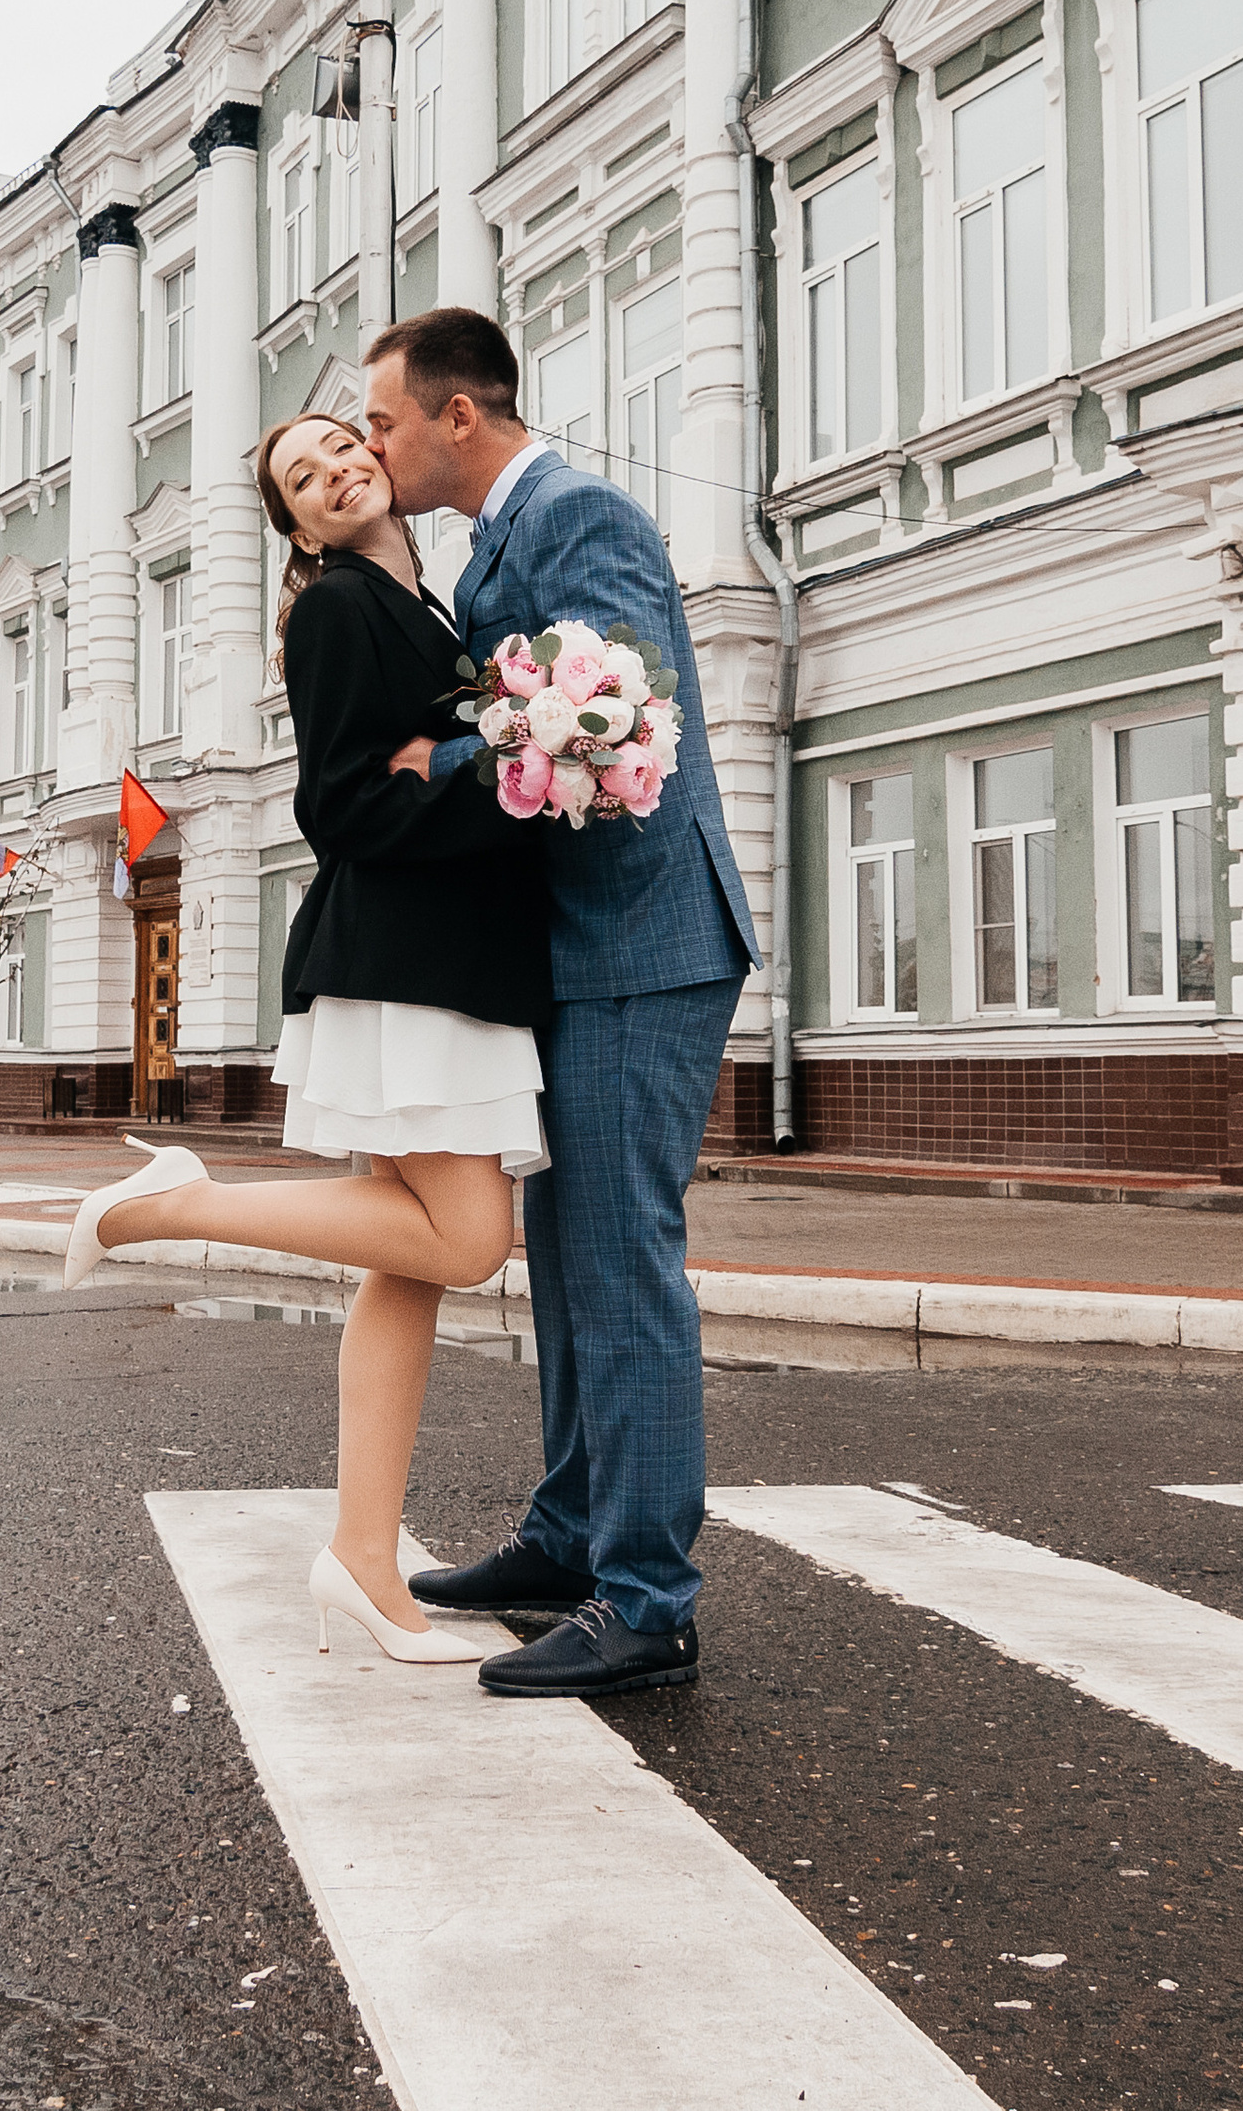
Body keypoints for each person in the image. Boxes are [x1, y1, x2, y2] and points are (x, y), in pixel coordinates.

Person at [66, 411, 550, 1668]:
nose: (334, 467)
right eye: (302, 477)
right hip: (404, 969)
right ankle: (175, 1208)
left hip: (430, 963)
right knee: (467, 1240)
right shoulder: (341, 607)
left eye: (340, 443)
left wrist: (470, 751)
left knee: (408, 1265)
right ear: (298, 526)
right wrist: (501, 776)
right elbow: (339, 804)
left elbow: (411, 762)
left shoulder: (422, 599)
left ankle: (363, 1556)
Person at [364, 307, 759, 1699]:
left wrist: (430, 774)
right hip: (573, 952)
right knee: (565, 1251)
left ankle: (647, 1599)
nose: (376, 445)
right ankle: (570, 1535)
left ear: (457, 417)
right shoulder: (493, 554)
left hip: (640, 943)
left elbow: (617, 716)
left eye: (386, 423)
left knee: (618, 1258)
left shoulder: (581, 516)